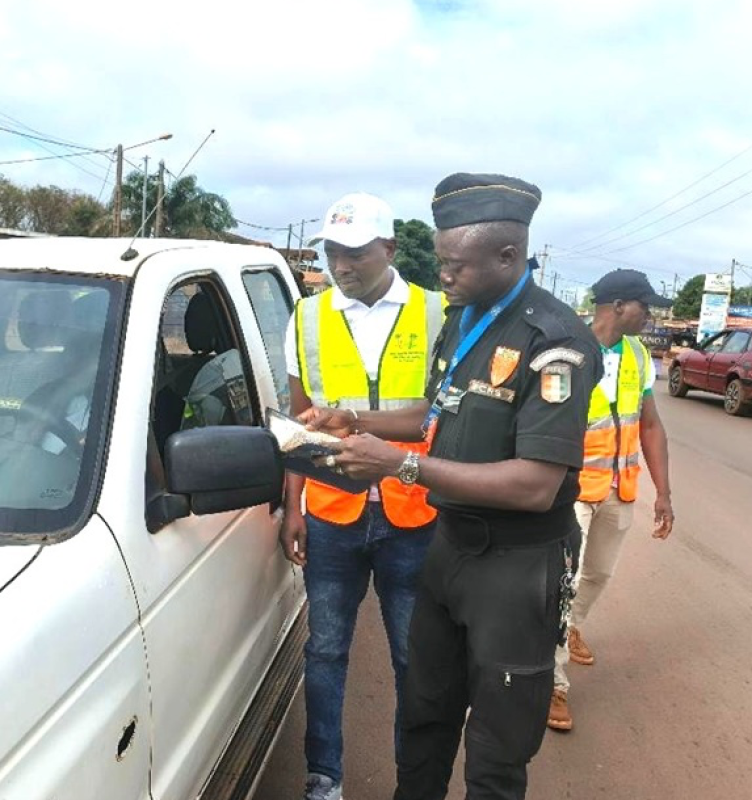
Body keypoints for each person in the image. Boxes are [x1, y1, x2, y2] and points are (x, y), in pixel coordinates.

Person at [301, 173, 601, 800]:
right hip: (449, 552)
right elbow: (435, 415)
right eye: (439, 262)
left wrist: (399, 467)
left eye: (454, 265)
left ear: (507, 256)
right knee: (424, 715)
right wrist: (354, 421)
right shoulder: (466, 319)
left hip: (514, 570)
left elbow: (535, 485)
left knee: (496, 747)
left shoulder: (556, 342)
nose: (442, 276)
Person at [280, 192, 445, 800]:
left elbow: (443, 415)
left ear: (391, 249)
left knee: (413, 658)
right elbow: (299, 418)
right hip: (331, 513)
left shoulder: (436, 313)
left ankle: (415, 781)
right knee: (324, 652)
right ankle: (325, 779)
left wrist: (358, 418)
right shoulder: (307, 316)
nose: (341, 265)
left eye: (354, 252)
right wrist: (293, 502)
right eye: (332, 252)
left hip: (414, 511)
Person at [548, 269, 675, 731]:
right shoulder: (565, 352)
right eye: (646, 306)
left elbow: (650, 425)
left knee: (598, 575)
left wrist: (663, 492)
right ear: (620, 305)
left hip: (619, 489)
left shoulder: (640, 355)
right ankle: (553, 685)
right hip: (570, 493)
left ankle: (571, 627)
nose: (651, 316)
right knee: (566, 582)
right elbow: (546, 423)